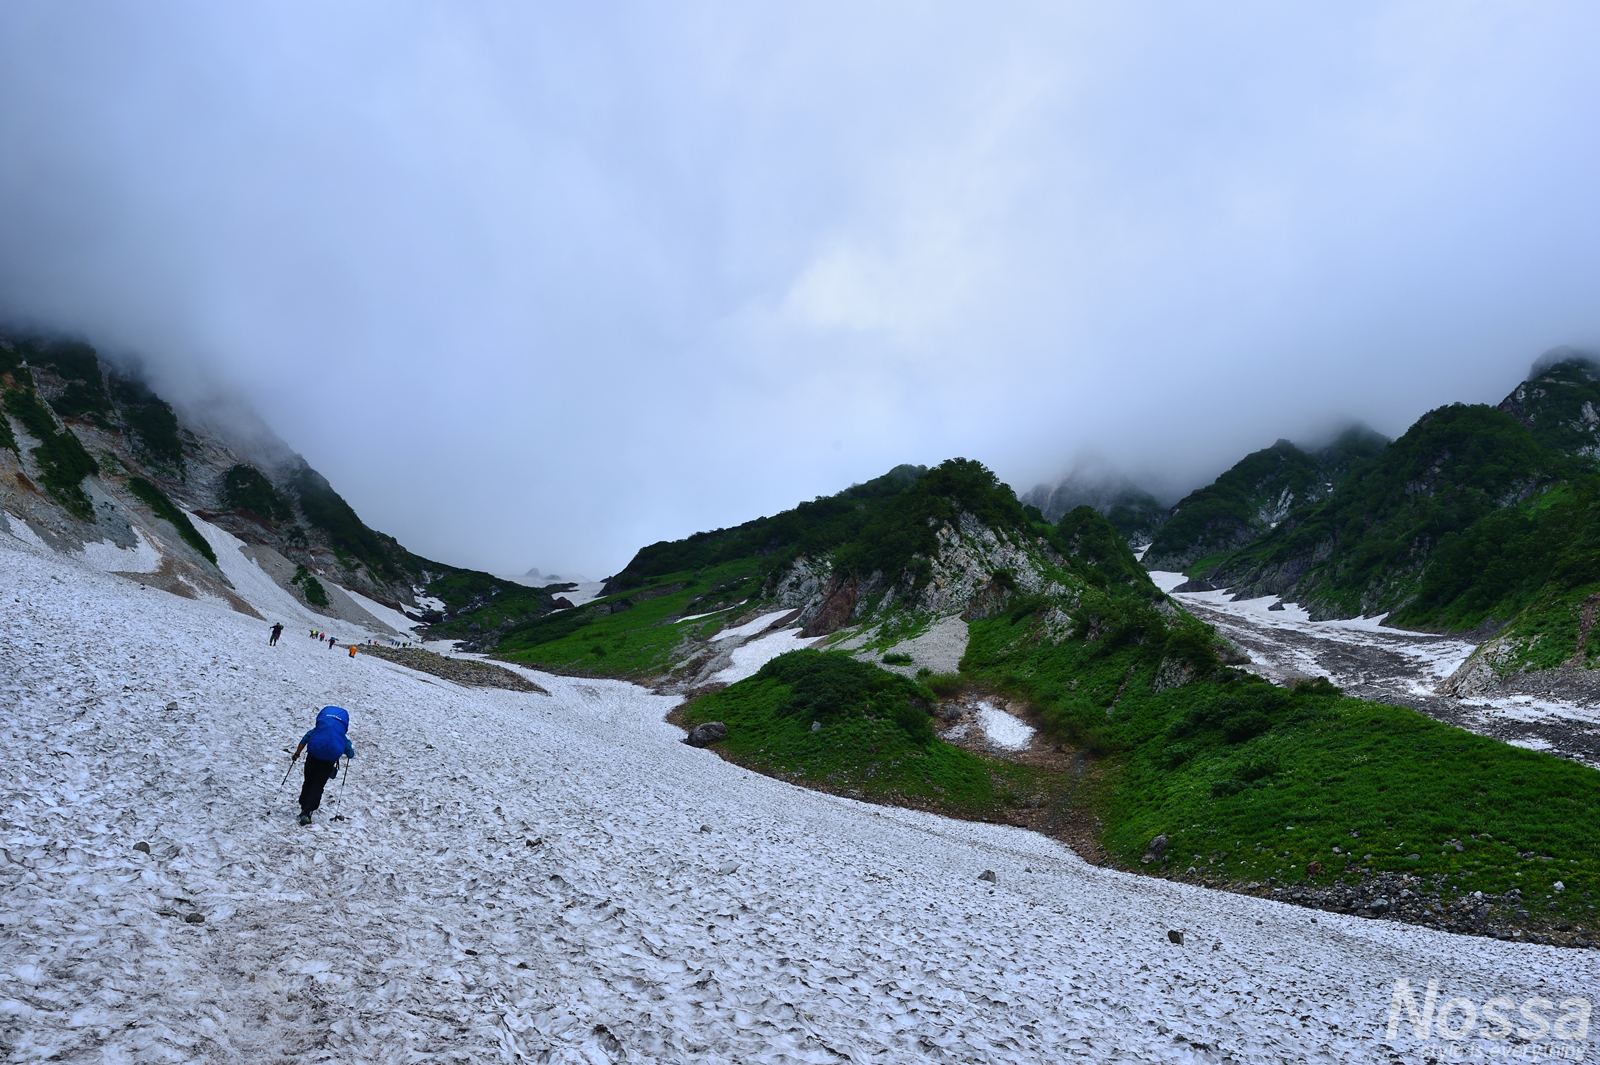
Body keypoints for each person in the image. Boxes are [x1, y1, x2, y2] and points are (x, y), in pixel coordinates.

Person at [290, 705, 355, 825]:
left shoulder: (317, 730)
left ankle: (303, 805)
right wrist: (349, 752)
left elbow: (305, 739)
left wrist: (296, 754)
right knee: (318, 785)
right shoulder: (341, 736)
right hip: (327, 763)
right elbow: (350, 753)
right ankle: (308, 811)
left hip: (312, 758)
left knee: (308, 781)